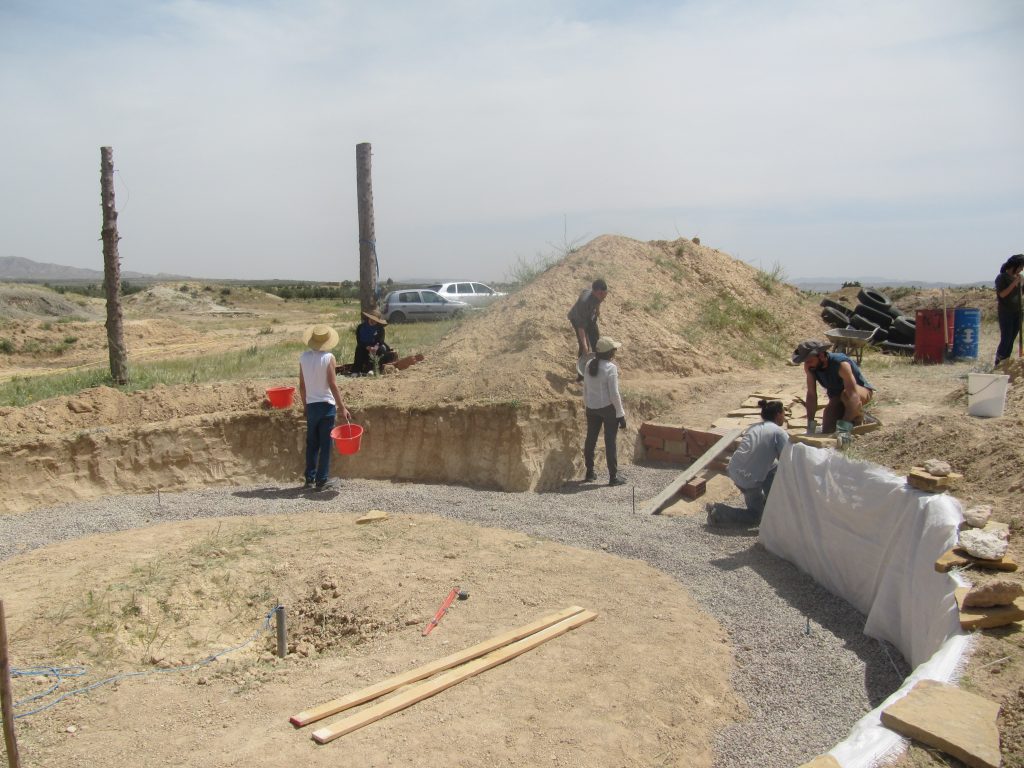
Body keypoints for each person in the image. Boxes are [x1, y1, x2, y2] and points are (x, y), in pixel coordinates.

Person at [711, 400, 789, 526]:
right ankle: (718, 511)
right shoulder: (779, 432)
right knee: (756, 516)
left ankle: (768, 501)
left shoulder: (754, 427)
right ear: (778, 414)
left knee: (774, 466)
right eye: (784, 413)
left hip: (734, 469)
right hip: (748, 478)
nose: (784, 417)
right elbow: (787, 459)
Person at [298, 324, 351, 490]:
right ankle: (322, 479)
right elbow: (333, 384)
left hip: (312, 405)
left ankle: (309, 479)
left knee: (312, 443)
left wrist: (305, 405)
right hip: (327, 406)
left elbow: (302, 385)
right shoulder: (329, 358)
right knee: (326, 444)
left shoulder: (303, 358)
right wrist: (342, 407)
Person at [792, 339, 875, 435]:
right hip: (838, 397)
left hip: (859, 393)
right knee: (827, 430)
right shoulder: (811, 368)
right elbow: (811, 395)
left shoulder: (840, 364)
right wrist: (810, 424)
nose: (807, 364)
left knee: (846, 395)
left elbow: (853, 395)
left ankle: (860, 416)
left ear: (822, 356)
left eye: (809, 361)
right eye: (805, 362)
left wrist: (843, 428)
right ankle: (850, 416)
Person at [581, 337, 627, 486]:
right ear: (609, 352)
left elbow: (585, 388)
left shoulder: (588, 364)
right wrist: (620, 414)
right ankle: (613, 477)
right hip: (608, 409)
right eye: (614, 349)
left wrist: (587, 404)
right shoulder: (610, 368)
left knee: (591, 440)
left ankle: (589, 473)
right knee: (610, 442)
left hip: (591, 407)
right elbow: (614, 394)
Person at [568, 278, 608, 380]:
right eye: (601, 294)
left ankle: (597, 371)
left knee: (597, 344)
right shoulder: (584, 302)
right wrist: (585, 346)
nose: (603, 296)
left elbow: (598, 301)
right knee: (584, 346)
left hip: (590, 316)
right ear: (594, 292)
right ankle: (581, 376)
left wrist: (598, 312)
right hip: (578, 319)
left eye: (604, 294)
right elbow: (581, 327)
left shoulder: (601, 294)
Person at [994, 254, 1024, 365]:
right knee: (1006, 339)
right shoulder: (1002, 277)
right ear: (1014, 266)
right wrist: (1015, 283)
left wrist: (1021, 283)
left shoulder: (1019, 278)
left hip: (1018, 312)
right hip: (1006, 312)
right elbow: (1002, 294)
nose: (1022, 269)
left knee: (1012, 339)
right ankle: (998, 362)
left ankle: (1005, 362)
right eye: (1021, 266)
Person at [353, 309, 398, 375]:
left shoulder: (380, 329)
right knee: (359, 349)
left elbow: (380, 341)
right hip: (364, 346)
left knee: (381, 349)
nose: (372, 321)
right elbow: (359, 340)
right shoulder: (360, 327)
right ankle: (356, 370)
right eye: (371, 319)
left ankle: (372, 369)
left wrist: (375, 347)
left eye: (375, 320)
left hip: (376, 346)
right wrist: (367, 347)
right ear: (368, 318)